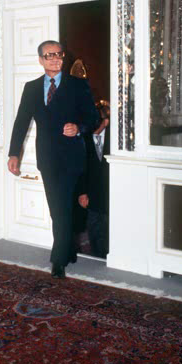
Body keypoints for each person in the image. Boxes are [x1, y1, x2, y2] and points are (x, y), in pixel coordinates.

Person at [8, 40, 99, 279]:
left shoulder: (77, 85)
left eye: (59, 54)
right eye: (49, 55)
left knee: (62, 208)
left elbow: (93, 118)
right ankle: (68, 249)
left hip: (72, 157)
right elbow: (21, 122)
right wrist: (14, 153)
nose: (55, 59)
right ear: (41, 60)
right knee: (57, 207)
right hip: (47, 158)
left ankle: (58, 260)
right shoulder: (31, 88)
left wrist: (78, 128)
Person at [76, 101, 110, 259]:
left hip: (110, 191)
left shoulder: (115, 140)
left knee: (108, 226)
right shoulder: (84, 139)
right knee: (94, 225)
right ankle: (97, 256)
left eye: (98, 121)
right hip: (92, 191)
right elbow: (81, 168)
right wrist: (82, 193)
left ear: (106, 122)